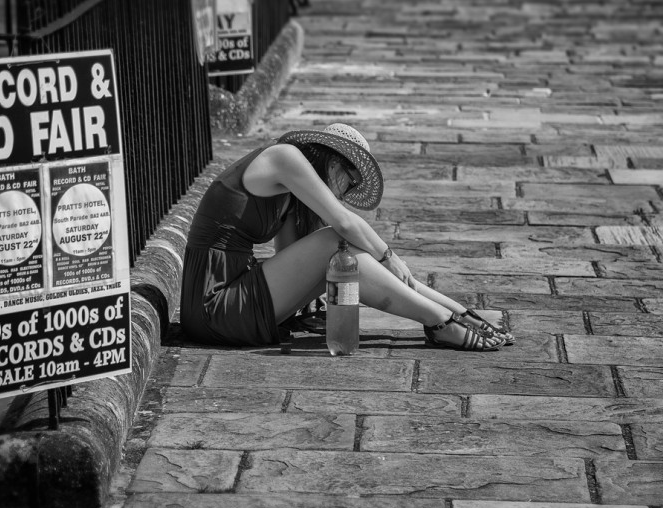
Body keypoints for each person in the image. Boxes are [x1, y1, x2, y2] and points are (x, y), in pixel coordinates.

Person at [180, 124, 515, 352]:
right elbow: (342, 222)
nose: (349, 189)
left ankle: (453, 312)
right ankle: (439, 322)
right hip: (215, 306)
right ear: (332, 159)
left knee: (340, 248)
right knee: (334, 240)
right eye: (351, 179)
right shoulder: (283, 158)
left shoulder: (289, 192)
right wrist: (389, 256)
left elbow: (292, 256)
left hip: (234, 296)